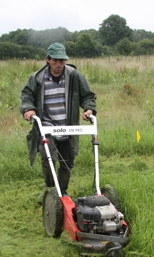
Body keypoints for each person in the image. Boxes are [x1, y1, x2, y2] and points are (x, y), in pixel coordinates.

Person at [20, 42, 97, 201]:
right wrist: (29, 109)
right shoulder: (37, 78)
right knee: (49, 159)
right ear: (48, 59)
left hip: (68, 126)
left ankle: (62, 191)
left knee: (67, 162)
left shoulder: (74, 75)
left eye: (61, 61)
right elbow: (27, 96)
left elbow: (87, 96)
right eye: (55, 61)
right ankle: (50, 189)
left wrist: (88, 109)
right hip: (47, 126)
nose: (58, 65)